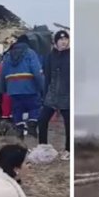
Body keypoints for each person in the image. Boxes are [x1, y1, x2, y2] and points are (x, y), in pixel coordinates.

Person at [0, 34, 45, 139]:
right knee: (34, 106)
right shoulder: (30, 53)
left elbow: (3, 74)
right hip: (29, 87)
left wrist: (3, 89)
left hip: (13, 89)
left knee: (17, 109)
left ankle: (19, 129)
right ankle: (32, 126)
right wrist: (41, 86)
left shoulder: (8, 55)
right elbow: (37, 72)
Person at [38, 30, 71, 160]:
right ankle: (42, 147)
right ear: (55, 42)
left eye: (66, 39)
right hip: (52, 94)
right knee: (42, 120)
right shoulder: (50, 56)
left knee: (69, 124)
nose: (63, 42)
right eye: (60, 40)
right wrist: (45, 94)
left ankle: (68, 150)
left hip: (67, 95)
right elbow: (47, 77)